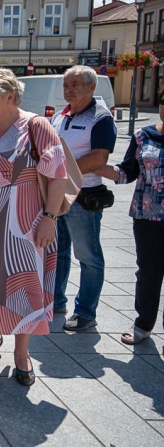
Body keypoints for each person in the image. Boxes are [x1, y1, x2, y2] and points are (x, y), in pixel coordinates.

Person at [0, 69, 68, 386]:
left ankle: (22, 353)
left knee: (24, 287)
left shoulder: (35, 126)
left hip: (23, 225)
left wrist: (50, 219)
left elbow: (58, 175)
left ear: (10, 96)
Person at [94, 85, 164, 346]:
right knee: (148, 272)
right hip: (146, 218)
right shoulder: (143, 136)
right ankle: (143, 324)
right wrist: (90, 165)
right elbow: (126, 172)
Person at [51, 65, 117, 331]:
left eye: (75, 84)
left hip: (84, 196)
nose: (69, 90)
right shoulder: (59, 115)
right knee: (58, 253)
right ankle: (55, 301)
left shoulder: (100, 118)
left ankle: (86, 313)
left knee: (88, 256)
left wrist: (61, 168)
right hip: (57, 194)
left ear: (92, 87)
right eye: (66, 85)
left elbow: (99, 157)